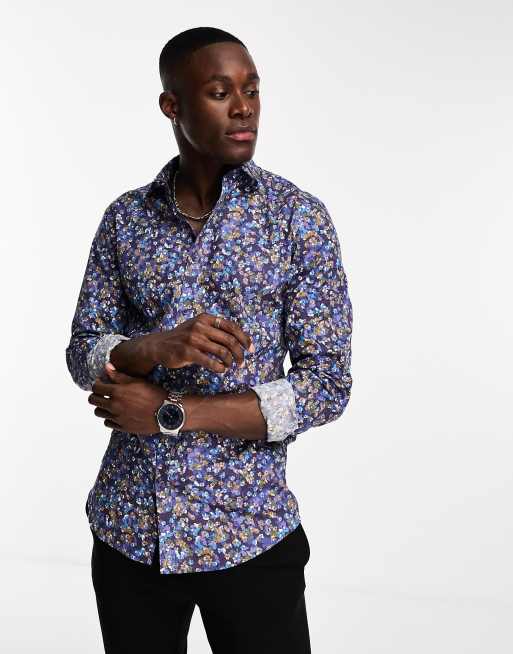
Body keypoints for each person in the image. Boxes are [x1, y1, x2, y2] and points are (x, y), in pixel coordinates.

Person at [66, 26, 353, 654]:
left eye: (252, 90)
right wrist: (151, 348)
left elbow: (326, 386)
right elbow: (83, 350)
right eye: (221, 93)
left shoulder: (296, 219)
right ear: (172, 106)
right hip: (131, 532)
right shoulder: (125, 220)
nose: (244, 108)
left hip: (250, 534)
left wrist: (172, 412)